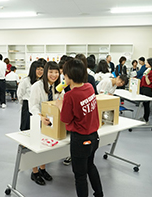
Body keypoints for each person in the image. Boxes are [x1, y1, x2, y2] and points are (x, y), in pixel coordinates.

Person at [56, 58, 103, 197]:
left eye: (64, 74)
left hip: (80, 140)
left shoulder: (70, 95)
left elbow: (65, 119)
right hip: (94, 137)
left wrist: (60, 106)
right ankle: (99, 194)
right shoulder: (89, 87)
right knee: (90, 166)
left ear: (68, 76)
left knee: (80, 176)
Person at [29, 61, 60, 185]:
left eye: (56, 72)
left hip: (51, 121)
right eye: (51, 72)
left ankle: (42, 169)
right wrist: (40, 117)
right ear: (46, 72)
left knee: (46, 147)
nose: (54, 75)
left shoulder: (57, 87)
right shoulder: (37, 86)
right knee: (36, 147)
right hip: (38, 120)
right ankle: (34, 172)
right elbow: (32, 106)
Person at [17, 61, 44, 131]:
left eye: (42, 70)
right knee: (26, 127)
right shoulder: (26, 81)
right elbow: (20, 94)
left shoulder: (42, 82)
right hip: (27, 106)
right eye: (38, 69)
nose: (40, 71)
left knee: (36, 128)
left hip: (38, 106)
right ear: (33, 69)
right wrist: (24, 104)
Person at [139, 58, 152, 124]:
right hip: (143, 88)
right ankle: (144, 117)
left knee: (146, 105)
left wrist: (146, 76)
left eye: (147, 63)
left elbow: (149, 82)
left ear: (150, 64)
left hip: (147, 89)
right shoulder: (147, 70)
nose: (146, 64)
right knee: (144, 104)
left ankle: (146, 119)